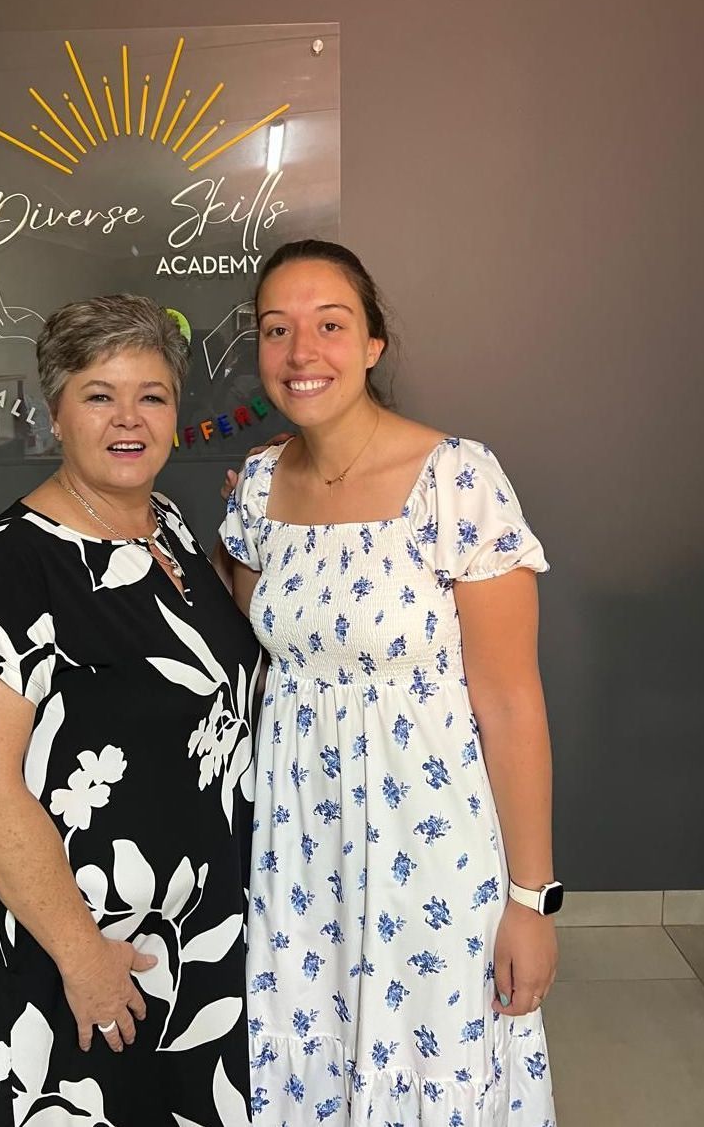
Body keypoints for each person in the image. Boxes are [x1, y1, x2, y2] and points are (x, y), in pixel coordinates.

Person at [218, 240, 559, 1125]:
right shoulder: (256, 488)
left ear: (372, 344)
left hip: (429, 851)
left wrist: (531, 900)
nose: (302, 353)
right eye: (277, 330)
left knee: (430, 1059)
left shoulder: (458, 479)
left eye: (330, 326)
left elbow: (513, 705)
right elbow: (266, 630)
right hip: (298, 851)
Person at [0, 295, 260, 1126]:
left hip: (195, 930)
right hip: (86, 943)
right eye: (99, 394)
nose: (128, 418)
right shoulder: (9, 569)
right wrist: (83, 957)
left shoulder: (173, 528)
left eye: (150, 396)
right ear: (55, 415)